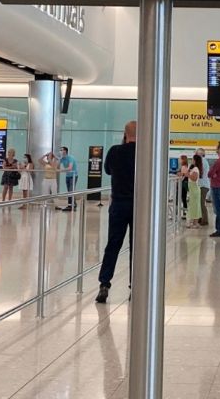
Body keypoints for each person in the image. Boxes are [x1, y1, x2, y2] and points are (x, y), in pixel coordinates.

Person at [96, 121, 137, 304]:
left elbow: (107, 171)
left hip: (118, 203)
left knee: (113, 244)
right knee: (137, 247)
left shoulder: (114, 151)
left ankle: (104, 284)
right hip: (140, 205)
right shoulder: (145, 151)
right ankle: (134, 286)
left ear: (124, 134)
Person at [196, 148, 211, 227]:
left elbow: (201, 173)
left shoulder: (202, 162)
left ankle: (205, 219)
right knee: (200, 202)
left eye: (196, 153)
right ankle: (201, 217)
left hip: (203, 185)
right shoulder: (203, 161)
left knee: (202, 203)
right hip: (203, 184)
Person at [187, 157, 204, 227]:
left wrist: (187, 174)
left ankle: (195, 222)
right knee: (193, 205)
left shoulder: (196, 169)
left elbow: (194, 178)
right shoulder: (194, 168)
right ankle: (194, 222)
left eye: (193, 159)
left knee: (195, 206)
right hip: (192, 189)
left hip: (194, 190)